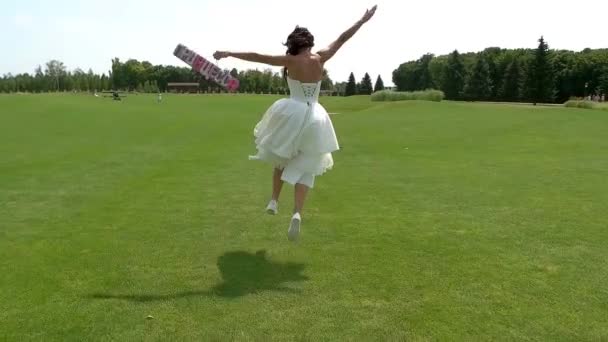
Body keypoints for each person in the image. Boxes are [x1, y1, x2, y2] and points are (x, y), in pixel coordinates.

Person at [214, 5, 377, 241]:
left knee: (281, 155)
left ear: (293, 44)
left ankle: (273, 200)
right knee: (308, 164)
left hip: (291, 111)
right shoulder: (321, 57)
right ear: (310, 43)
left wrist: (228, 53)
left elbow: (257, 56)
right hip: (315, 116)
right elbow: (343, 38)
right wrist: (363, 20)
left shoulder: (289, 60)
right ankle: (297, 213)